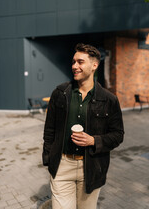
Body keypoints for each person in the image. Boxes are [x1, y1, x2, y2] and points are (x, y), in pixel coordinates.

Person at [42, 43, 124, 209]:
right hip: (62, 166)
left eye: (80, 62)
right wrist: (48, 159)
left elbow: (118, 135)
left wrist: (93, 141)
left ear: (94, 65)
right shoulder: (60, 93)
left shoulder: (109, 100)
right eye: (73, 62)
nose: (74, 66)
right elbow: (49, 130)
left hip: (92, 168)